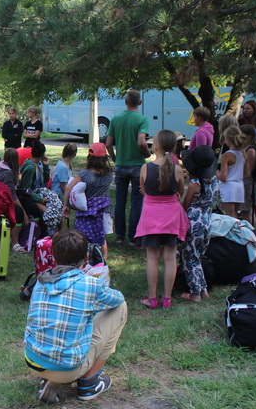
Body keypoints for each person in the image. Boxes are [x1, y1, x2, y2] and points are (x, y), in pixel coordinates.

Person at [24, 229, 127, 403]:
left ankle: (49, 379)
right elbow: (118, 299)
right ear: (86, 257)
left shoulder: (41, 281)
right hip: (67, 368)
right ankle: (89, 382)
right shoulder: (90, 284)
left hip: (34, 362)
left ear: (54, 256)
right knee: (121, 308)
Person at [134, 130, 188, 310]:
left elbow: (144, 190)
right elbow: (179, 192)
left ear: (155, 146)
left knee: (152, 258)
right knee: (170, 259)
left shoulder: (145, 168)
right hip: (171, 218)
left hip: (151, 217)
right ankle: (167, 299)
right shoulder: (177, 169)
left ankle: (152, 299)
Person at [105, 90, 150, 246]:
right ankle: (133, 237)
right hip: (138, 165)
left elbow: (108, 144)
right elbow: (142, 142)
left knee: (120, 201)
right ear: (140, 103)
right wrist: (147, 154)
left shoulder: (116, 119)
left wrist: (115, 158)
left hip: (121, 164)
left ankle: (119, 236)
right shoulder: (142, 120)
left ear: (126, 102)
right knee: (136, 202)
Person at [180, 145, 219, 302]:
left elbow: (186, 204)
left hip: (193, 224)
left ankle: (195, 293)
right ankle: (203, 289)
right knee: (198, 257)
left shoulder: (194, 185)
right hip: (207, 221)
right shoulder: (214, 180)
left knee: (189, 258)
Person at [63, 142, 113, 259]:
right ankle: (103, 260)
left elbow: (68, 189)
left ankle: (83, 258)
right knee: (101, 236)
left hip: (87, 210)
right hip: (104, 209)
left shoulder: (84, 174)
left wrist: (66, 205)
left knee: (82, 236)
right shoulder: (109, 174)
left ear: (90, 157)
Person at [0, 148, 29, 253]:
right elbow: (11, 195)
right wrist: (24, 213)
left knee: (29, 206)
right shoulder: (7, 173)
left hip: (0, 197)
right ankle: (14, 241)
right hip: (0, 200)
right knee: (19, 212)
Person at [217, 126, 248, 218]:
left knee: (229, 215)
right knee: (235, 214)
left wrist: (216, 172)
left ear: (227, 139)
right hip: (239, 185)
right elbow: (247, 173)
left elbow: (223, 177)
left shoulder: (226, 155)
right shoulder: (243, 154)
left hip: (229, 186)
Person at [19, 141, 50, 222]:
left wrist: (46, 166)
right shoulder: (30, 167)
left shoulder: (39, 164)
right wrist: (40, 199)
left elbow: (45, 181)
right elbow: (26, 189)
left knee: (57, 206)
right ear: (43, 154)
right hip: (31, 196)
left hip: (39, 193)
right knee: (48, 212)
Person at [238, 124, 256, 225]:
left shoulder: (250, 151)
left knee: (247, 211)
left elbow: (248, 171)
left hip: (248, 184)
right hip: (246, 183)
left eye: (240, 134)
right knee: (246, 211)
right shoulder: (246, 149)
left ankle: (251, 231)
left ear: (249, 136)